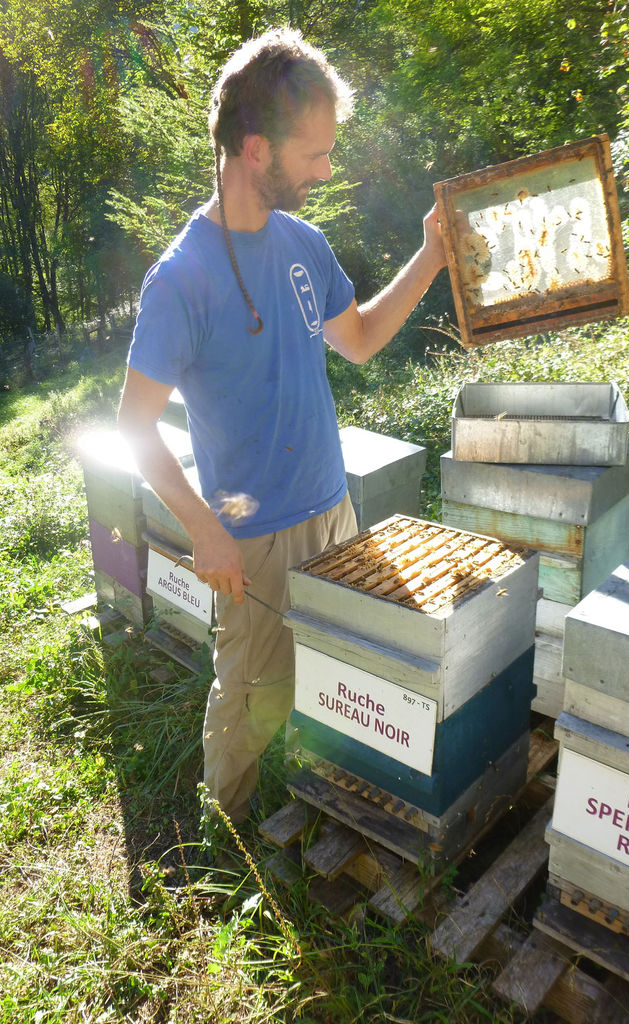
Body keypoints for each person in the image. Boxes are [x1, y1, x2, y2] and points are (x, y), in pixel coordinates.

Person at [118, 27, 447, 822]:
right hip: (252, 534)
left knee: (336, 674)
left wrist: (433, 254)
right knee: (253, 696)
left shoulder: (305, 244)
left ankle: (315, 798)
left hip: (333, 509)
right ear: (257, 149)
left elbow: (360, 340)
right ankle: (223, 833)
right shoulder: (181, 279)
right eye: (315, 154)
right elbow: (134, 428)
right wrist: (204, 529)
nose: (327, 170)